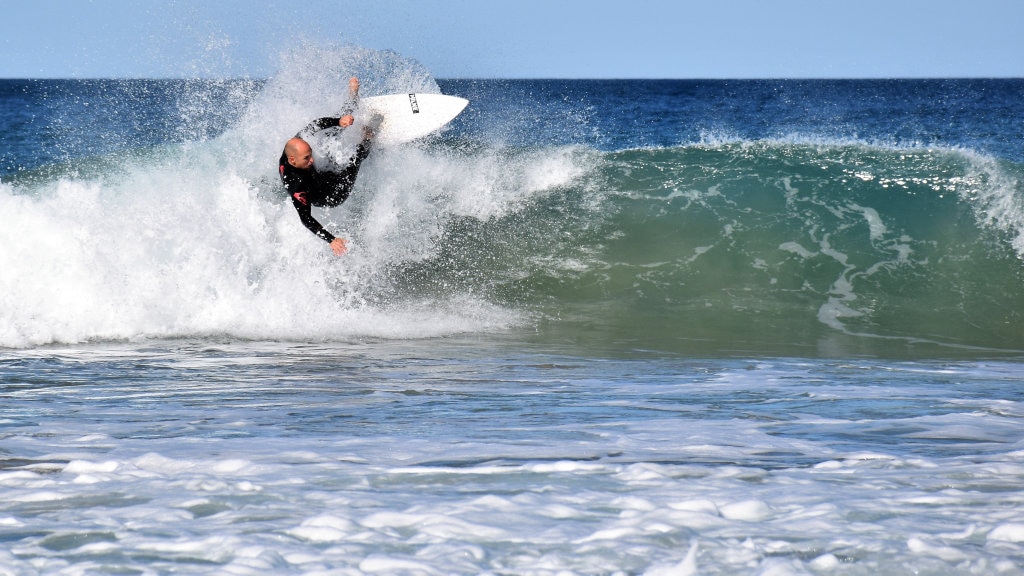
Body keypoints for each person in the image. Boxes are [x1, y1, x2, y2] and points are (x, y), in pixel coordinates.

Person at [279, 77, 374, 256]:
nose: (312, 159)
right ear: (292, 161)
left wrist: (338, 122)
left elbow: (316, 125)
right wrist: (331, 239)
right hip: (330, 195)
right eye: (307, 158)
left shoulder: (296, 144)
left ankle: (352, 100)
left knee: (330, 133)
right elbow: (305, 218)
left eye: (310, 155)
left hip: (317, 176)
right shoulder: (296, 184)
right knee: (354, 159)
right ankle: (369, 139)